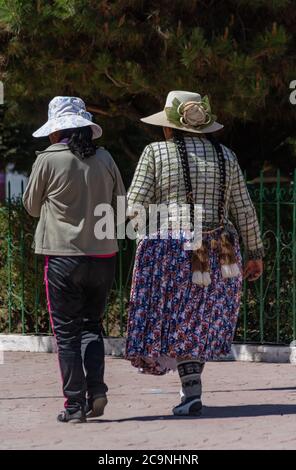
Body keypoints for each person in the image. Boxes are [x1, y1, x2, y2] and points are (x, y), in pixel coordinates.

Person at [126, 90, 264, 416]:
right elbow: (244, 209)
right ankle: (191, 389)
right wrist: (256, 252)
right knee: (198, 320)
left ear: (169, 127)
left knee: (178, 321)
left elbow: (134, 207)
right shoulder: (227, 156)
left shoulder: (155, 153)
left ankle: (191, 393)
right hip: (221, 250)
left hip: (172, 247)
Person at [23, 96, 126, 423]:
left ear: (55, 132)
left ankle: (74, 404)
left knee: (66, 334)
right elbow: (120, 207)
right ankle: (96, 391)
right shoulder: (106, 158)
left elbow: (31, 206)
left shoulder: (48, 159)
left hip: (62, 259)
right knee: (92, 326)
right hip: (103, 257)